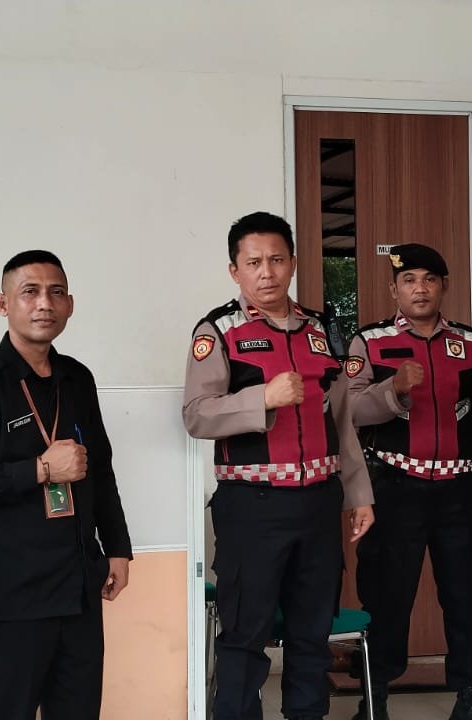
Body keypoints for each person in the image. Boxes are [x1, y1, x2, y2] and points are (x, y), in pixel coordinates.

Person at [183, 211, 375, 720]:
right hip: (253, 505)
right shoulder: (218, 331)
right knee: (245, 635)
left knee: (312, 634)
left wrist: (359, 494)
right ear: (234, 270)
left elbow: (342, 420)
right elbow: (197, 415)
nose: (266, 272)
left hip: (318, 504)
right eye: (253, 262)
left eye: (276, 259)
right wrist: (262, 399)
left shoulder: (322, 329)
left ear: (292, 262)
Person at [0, 250, 133, 720]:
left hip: (78, 588)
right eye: (30, 292)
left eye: (56, 292)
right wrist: (38, 470)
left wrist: (118, 549)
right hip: (10, 596)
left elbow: (101, 469)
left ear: (70, 304)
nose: (45, 303)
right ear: (3, 304)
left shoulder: (77, 379)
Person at [344, 243, 472, 720]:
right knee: (386, 597)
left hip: (458, 493)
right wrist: (394, 388)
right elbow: (349, 410)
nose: (419, 289)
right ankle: (374, 698)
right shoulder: (370, 341)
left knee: (466, 595)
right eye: (409, 280)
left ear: (444, 286)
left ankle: (471, 697)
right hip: (394, 489)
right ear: (393, 289)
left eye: (429, 280)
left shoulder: (470, 343)